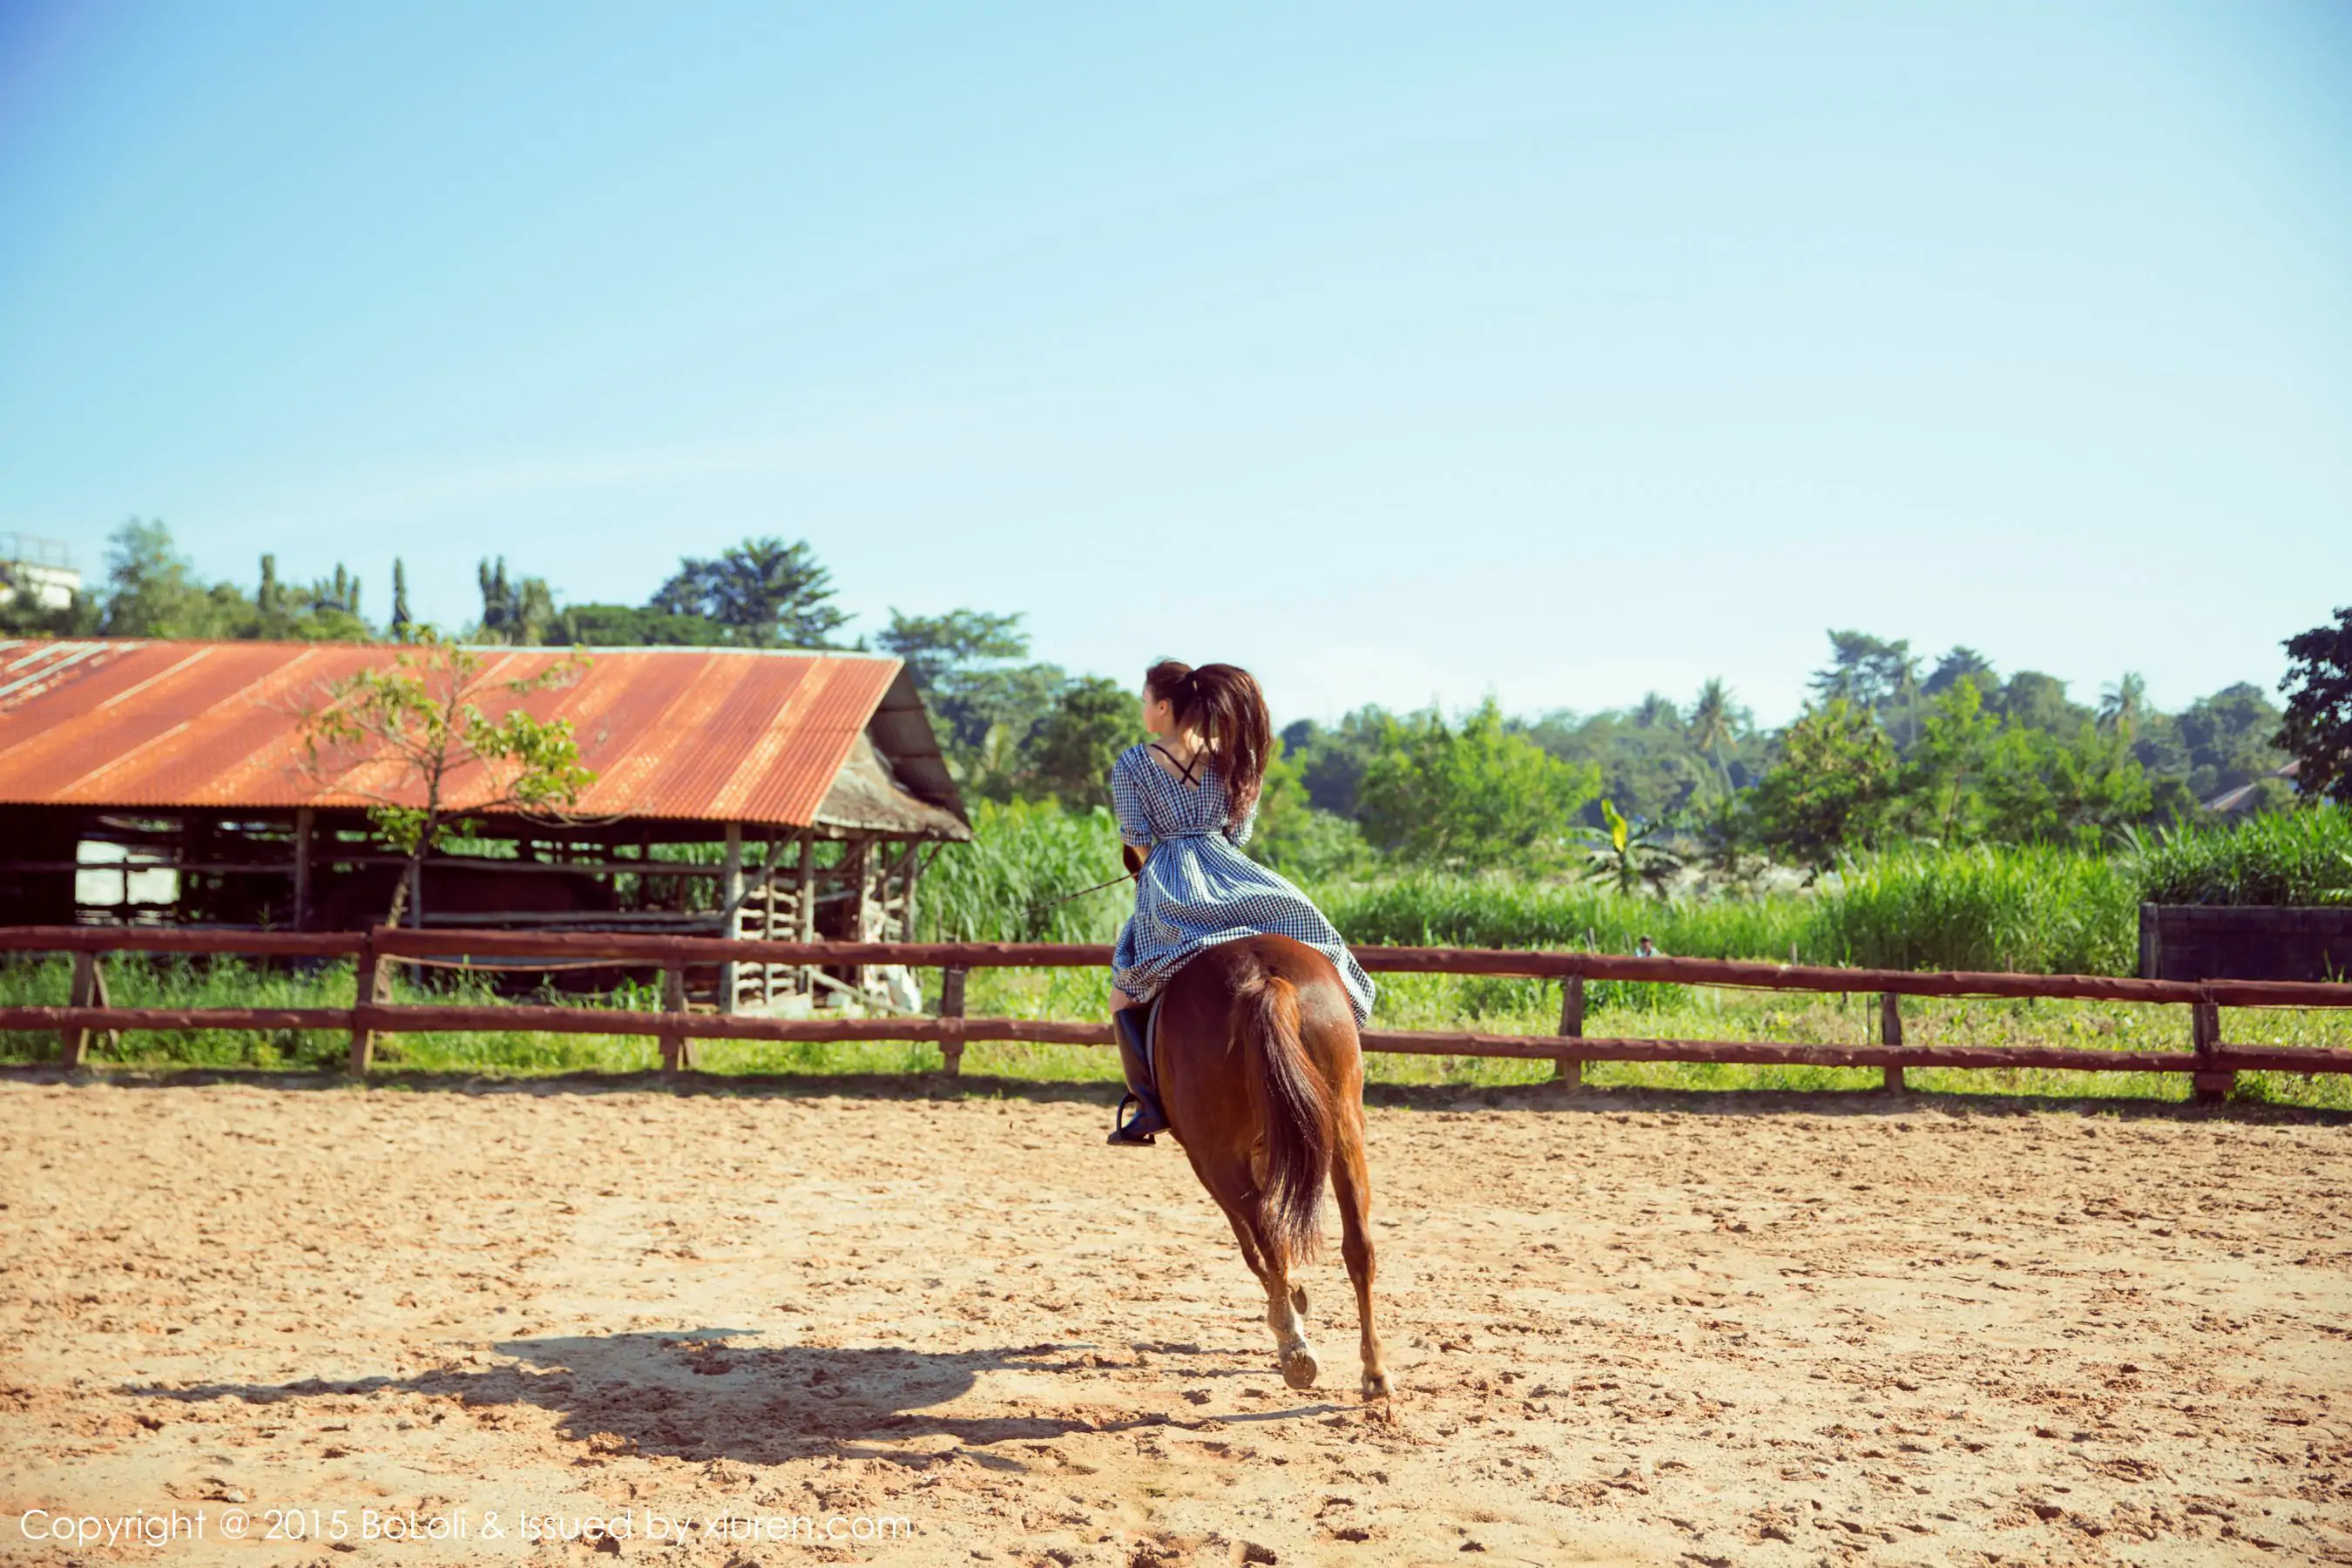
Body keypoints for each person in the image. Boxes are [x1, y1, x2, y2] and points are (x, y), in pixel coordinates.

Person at [1103, 659, 1376, 1146]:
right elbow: (1240, 834)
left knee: (1125, 985)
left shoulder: (1133, 764)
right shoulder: (1233, 758)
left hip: (1170, 879)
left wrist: (1160, 864)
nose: (1143, 710)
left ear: (1163, 707)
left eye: (1145, 701)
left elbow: (1138, 842)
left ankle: (1146, 1108)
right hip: (1234, 873)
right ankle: (1345, 1037)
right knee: (1314, 936)